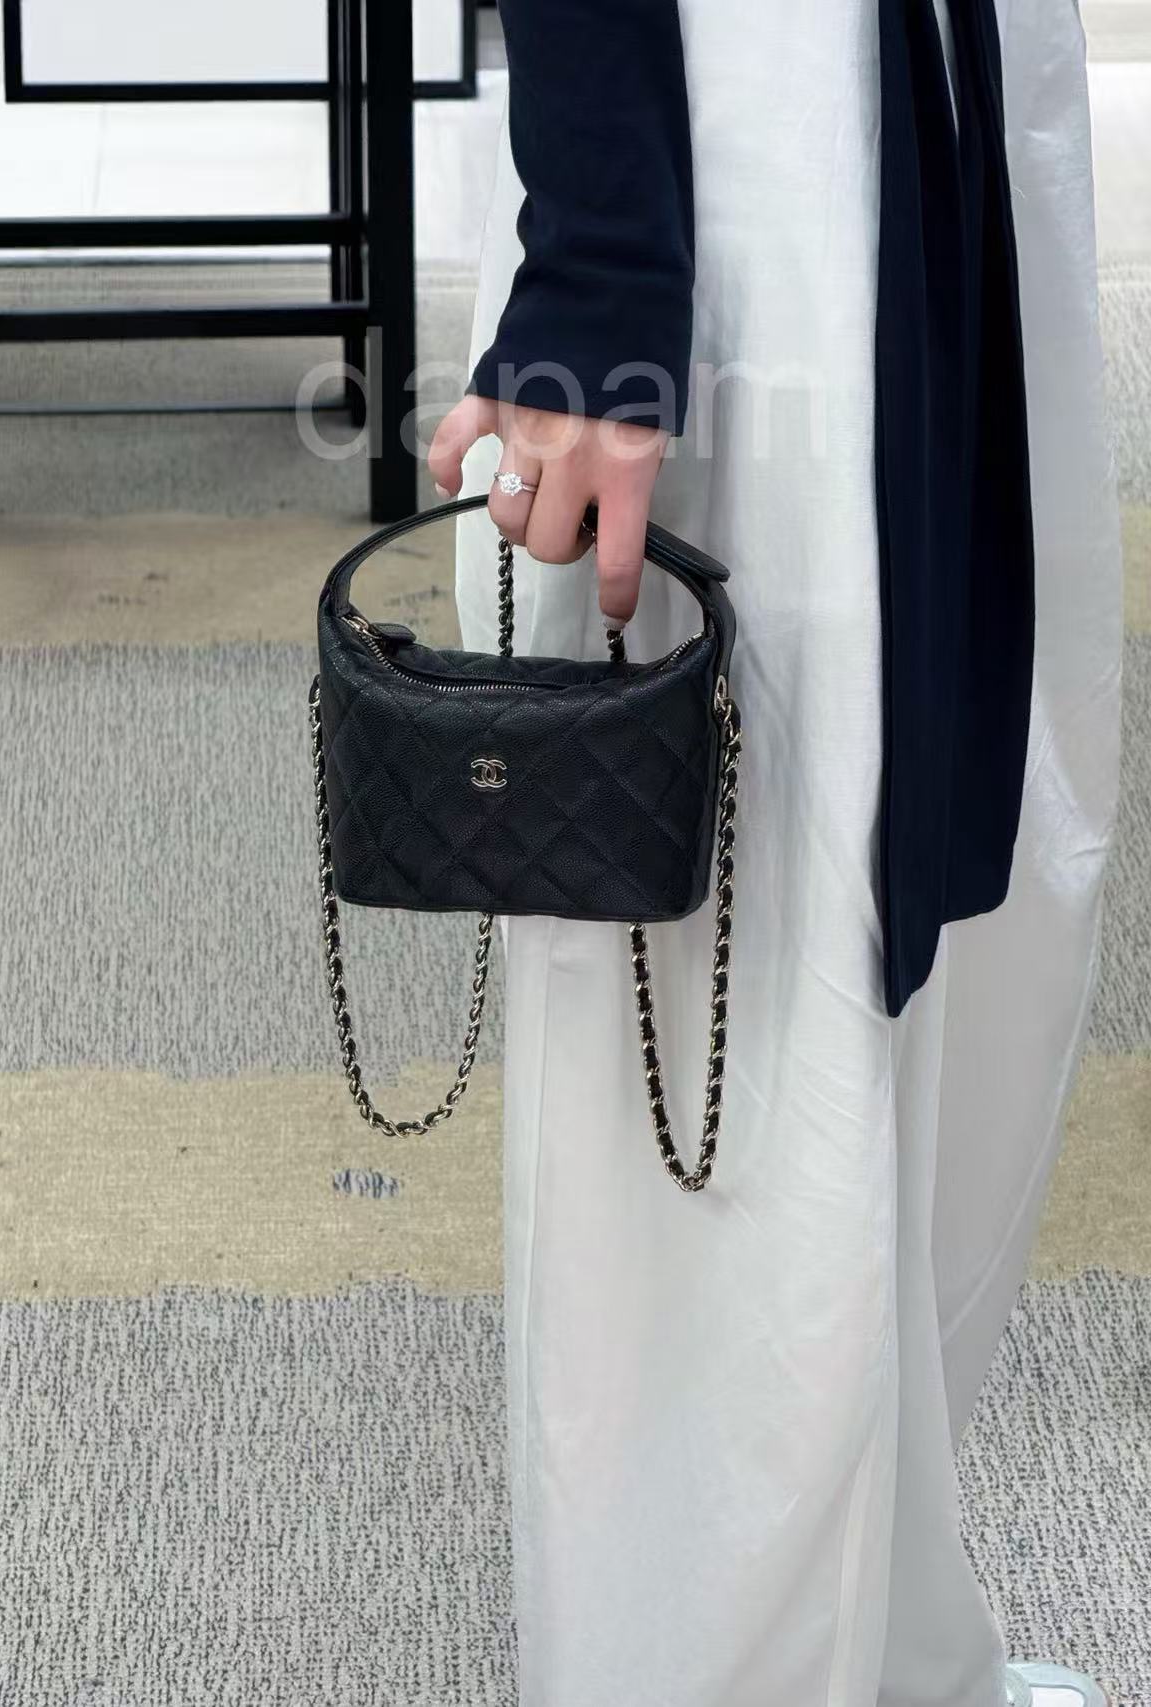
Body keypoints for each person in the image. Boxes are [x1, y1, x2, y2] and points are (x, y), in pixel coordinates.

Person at [427, 1, 1122, 1704]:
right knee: (725, 1025)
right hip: (740, 132)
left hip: (941, 93)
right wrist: (602, 273)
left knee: (939, 927)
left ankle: (884, 1646)